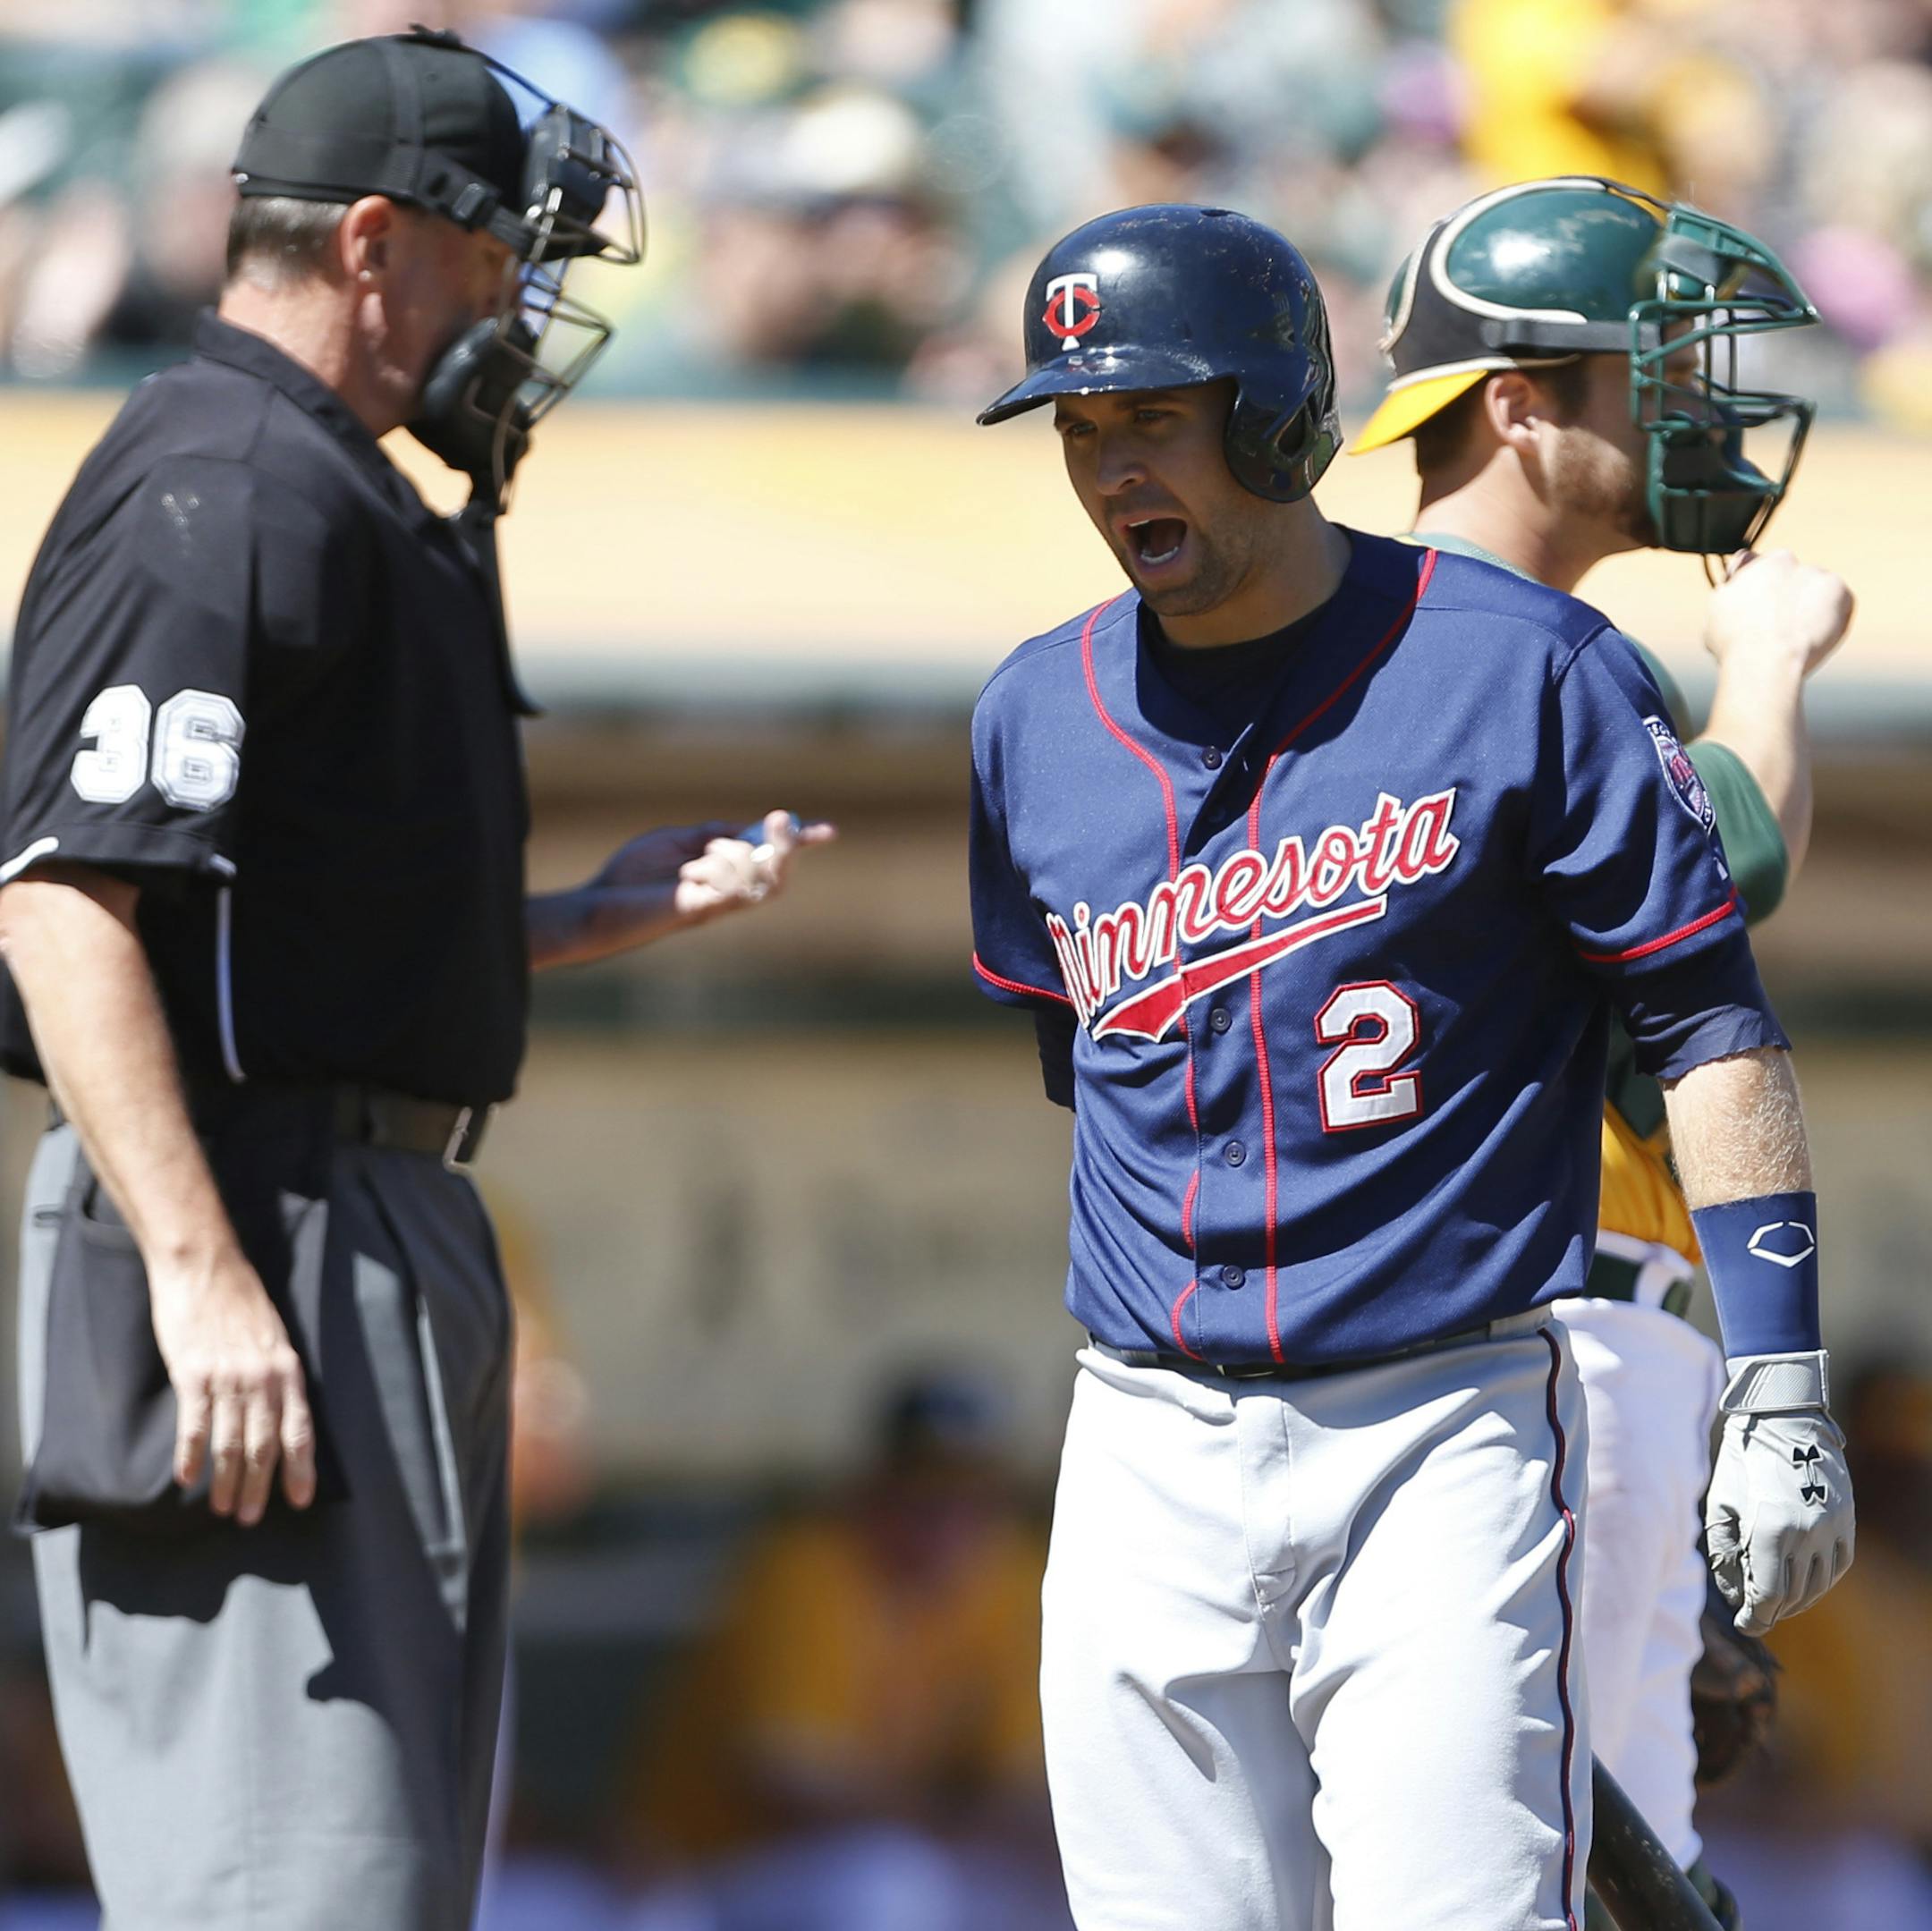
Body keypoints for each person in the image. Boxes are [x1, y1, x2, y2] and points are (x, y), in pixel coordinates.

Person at [0, 30, 827, 1931]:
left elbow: (275, 935)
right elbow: (65, 905)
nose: (519, 303)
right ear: (373, 242)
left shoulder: (337, 485)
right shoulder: (219, 475)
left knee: (380, 1886)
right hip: (255, 1223)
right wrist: (205, 1278)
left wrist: (577, 919)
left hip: (356, 1199)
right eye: (491, 254)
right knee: (290, 1888)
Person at [967, 201, 1854, 1931]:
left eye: (1152, 415)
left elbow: (1711, 1024)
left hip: (1444, 1402)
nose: (1110, 466)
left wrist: (1781, 1378)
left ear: (1285, 413)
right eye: (1080, 427)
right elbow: (1091, 1066)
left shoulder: (1525, 664)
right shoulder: (1029, 714)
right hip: (1145, 1425)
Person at [1350, 173, 1854, 1926]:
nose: (1693, 402)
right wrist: (1769, 662)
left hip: (1578, 1320)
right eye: (1652, 366)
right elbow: (1737, 860)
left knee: (1629, 1878)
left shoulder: (1399, 633)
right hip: (1537, 1315)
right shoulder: (1496, 643)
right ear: (1511, 403)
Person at [623, 1370, 1064, 1931]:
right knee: (892, 1882)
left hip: (912, 1851)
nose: (948, 1521)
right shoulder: (804, 1567)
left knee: (1059, 1892)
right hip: (701, 1876)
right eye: (923, 1495)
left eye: (971, 1498)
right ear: (874, 1490)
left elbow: (1025, 1787)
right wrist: (959, 1820)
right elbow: (787, 1784)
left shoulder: (1011, 1577)